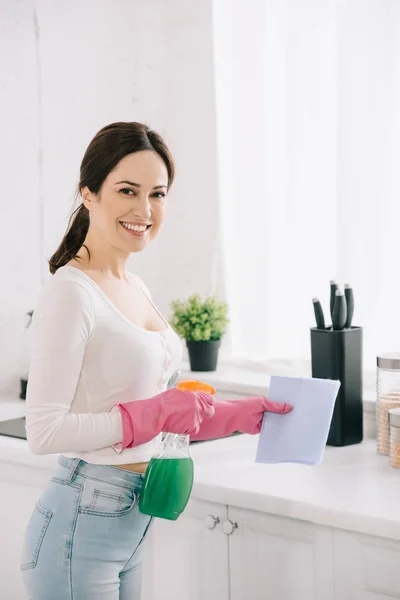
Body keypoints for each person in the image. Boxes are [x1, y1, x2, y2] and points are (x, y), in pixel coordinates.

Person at [20, 122, 292, 600]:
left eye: (158, 194)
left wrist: (233, 416)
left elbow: (157, 410)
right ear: (89, 193)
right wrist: (157, 412)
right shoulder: (71, 292)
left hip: (132, 517)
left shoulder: (135, 286)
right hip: (81, 520)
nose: (144, 210)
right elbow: (43, 431)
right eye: (128, 190)